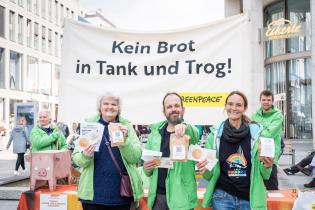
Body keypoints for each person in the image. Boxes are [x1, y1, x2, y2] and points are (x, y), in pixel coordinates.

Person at [197, 91, 277, 210]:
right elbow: (209, 176)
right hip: (222, 197)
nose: (234, 108)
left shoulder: (256, 135)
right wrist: (204, 168)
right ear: (225, 106)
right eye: (230, 104)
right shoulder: (214, 136)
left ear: (244, 108)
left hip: (249, 198)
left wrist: (267, 165)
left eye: (238, 105)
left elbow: (265, 175)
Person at [72, 93, 143, 210]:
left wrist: (124, 141)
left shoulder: (127, 127)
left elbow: (135, 158)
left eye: (114, 104)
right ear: (100, 107)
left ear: (118, 108)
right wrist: (85, 156)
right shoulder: (89, 125)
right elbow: (77, 159)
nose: (110, 107)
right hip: (93, 197)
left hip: (121, 195)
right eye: (106, 103)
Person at [143, 92, 199, 210]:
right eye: (169, 107)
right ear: (164, 112)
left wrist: (185, 127)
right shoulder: (155, 134)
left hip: (182, 197)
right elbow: (147, 169)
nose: (173, 109)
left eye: (176, 106)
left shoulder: (189, 131)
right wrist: (147, 168)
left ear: (183, 109)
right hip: (159, 197)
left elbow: (195, 136)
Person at [251, 90, 284, 190]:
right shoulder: (255, 114)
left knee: (271, 186)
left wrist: (257, 130)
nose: (266, 102)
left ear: (272, 101)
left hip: (270, 154)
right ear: (260, 101)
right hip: (256, 153)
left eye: (268, 100)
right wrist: (262, 129)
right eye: (263, 99)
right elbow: (251, 131)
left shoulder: (278, 115)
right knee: (257, 185)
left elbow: (269, 134)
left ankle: (274, 205)